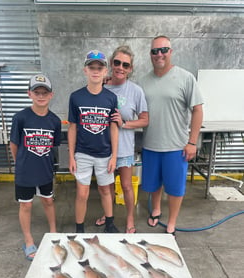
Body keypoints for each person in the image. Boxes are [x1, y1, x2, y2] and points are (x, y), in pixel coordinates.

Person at [139, 35, 203, 236]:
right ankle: (156, 209)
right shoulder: (143, 81)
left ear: (171, 52)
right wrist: (110, 82)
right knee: (153, 184)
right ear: (150, 54)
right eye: (154, 51)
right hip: (150, 145)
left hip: (176, 147)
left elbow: (198, 110)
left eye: (163, 50)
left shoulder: (185, 78)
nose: (159, 54)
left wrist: (192, 142)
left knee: (175, 188)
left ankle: (172, 221)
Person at [94, 45, 148, 233]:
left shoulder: (135, 91)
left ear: (130, 69)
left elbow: (145, 120)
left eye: (125, 65)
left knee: (126, 186)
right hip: (103, 149)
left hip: (124, 148)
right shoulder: (100, 86)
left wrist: (124, 123)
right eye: (117, 63)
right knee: (105, 187)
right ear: (111, 63)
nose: (120, 68)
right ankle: (108, 215)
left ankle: (130, 219)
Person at [10, 74, 61, 260]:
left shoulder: (54, 121)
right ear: (29, 94)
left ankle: (54, 232)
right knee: (26, 205)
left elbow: (53, 146)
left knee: (48, 201)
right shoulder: (20, 118)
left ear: (51, 95)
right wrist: (21, 163)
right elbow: (14, 145)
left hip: (45, 170)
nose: (41, 96)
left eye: (44, 92)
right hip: (25, 172)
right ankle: (29, 240)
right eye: (36, 92)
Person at [67, 50, 119, 233]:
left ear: (105, 71)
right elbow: (72, 127)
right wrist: (71, 156)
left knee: (106, 190)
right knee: (82, 193)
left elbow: (114, 127)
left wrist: (114, 156)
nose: (96, 71)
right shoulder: (76, 97)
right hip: (83, 153)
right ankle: (79, 229)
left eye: (100, 68)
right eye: (92, 67)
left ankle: (110, 224)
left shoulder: (111, 98)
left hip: (105, 153)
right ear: (85, 70)